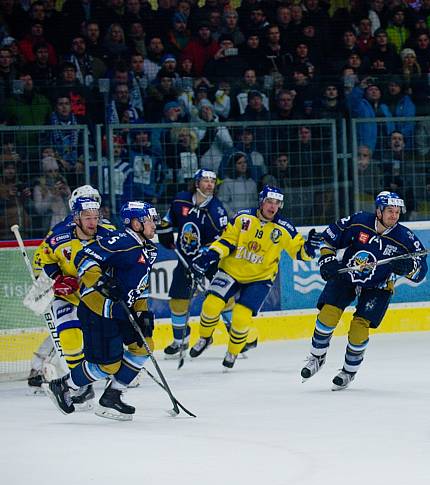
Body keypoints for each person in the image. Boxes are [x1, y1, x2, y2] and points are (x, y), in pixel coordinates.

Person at [300, 191, 428, 390]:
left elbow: (421, 271)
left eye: (397, 212)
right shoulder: (359, 221)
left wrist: (409, 268)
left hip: (379, 285)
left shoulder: (406, 238)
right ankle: (317, 357)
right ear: (378, 211)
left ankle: (348, 371)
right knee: (327, 316)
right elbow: (330, 238)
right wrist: (327, 259)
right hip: (348, 274)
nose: (394, 215)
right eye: (389, 211)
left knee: (359, 328)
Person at [45, 201, 160, 420]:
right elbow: (84, 257)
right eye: (149, 220)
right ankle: (63, 385)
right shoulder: (122, 241)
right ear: (136, 223)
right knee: (108, 365)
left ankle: (112, 397)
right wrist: (101, 282)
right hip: (99, 309)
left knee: (144, 347)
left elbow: (141, 284)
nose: (155, 224)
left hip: (122, 310)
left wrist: (142, 312)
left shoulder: (148, 248)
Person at [189, 185, 320, 370]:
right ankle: (205, 338)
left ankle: (233, 352)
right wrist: (211, 255)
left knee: (241, 317)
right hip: (230, 270)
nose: (272, 206)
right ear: (261, 201)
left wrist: (310, 248)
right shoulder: (243, 217)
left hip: (261, 277)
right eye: (269, 201)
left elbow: (299, 253)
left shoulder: (284, 228)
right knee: (211, 304)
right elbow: (227, 240)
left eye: (277, 203)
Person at [28, 194, 114, 400]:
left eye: (96, 216)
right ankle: (83, 386)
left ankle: (112, 373)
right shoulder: (58, 236)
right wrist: (58, 278)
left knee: (107, 339)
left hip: (97, 295)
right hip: (67, 296)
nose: (93, 222)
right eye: (87, 217)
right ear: (76, 217)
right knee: (69, 339)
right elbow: (42, 260)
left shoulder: (109, 234)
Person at [156, 169, 228, 357]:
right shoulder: (181, 200)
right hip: (186, 258)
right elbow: (168, 220)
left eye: (213, 181)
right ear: (197, 183)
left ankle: (238, 335)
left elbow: (223, 240)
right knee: (178, 300)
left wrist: (203, 259)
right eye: (206, 180)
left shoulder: (217, 211)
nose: (210, 184)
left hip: (212, 260)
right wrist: (164, 232)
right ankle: (181, 340)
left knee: (223, 297)